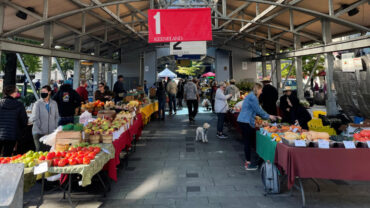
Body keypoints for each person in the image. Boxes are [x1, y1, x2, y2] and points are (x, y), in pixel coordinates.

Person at [237, 83, 278, 171]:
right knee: (248, 142)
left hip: (244, 120)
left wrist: (267, 115)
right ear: (258, 89)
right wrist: (269, 116)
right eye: (261, 90)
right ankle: (248, 163)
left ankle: (251, 161)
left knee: (249, 141)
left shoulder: (251, 96)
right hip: (245, 121)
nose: (262, 92)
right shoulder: (253, 97)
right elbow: (258, 110)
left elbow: (256, 110)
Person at [0, 86, 28, 156]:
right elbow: (24, 121)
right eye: (16, 91)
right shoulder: (19, 105)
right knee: (7, 156)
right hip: (12, 135)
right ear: (12, 93)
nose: (17, 93)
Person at [31, 85, 59, 151]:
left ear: (49, 92)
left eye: (44, 91)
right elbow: (35, 118)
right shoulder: (37, 104)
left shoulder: (54, 103)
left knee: (49, 151)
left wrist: (55, 129)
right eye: (41, 92)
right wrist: (42, 131)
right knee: (40, 150)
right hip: (39, 132)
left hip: (51, 133)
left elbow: (57, 117)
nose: (42, 93)